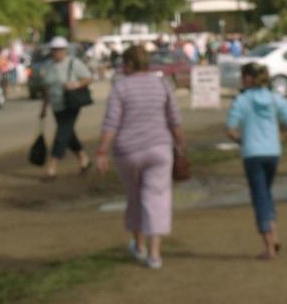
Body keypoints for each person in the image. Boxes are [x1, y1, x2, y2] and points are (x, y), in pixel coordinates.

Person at [95, 45, 186, 270]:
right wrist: (180, 145)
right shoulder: (161, 84)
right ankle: (154, 254)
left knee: (135, 197)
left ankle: (139, 245)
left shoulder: (121, 87)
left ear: (128, 64)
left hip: (128, 152)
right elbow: (174, 119)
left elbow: (111, 123)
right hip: (159, 149)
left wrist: (102, 151)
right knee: (157, 198)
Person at [226, 62, 287, 260]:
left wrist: (242, 141)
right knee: (266, 193)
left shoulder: (242, 100)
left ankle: (269, 246)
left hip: (252, 154)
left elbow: (230, 129)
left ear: (248, 79)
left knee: (259, 197)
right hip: (273, 152)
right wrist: (279, 136)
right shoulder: (276, 99)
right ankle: (274, 235)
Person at [39, 36, 94, 180]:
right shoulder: (48, 66)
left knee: (62, 132)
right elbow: (47, 89)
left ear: (65, 50)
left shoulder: (73, 63)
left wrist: (76, 84)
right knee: (68, 133)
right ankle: (84, 159)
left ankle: (52, 167)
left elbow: (88, 78)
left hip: (71, 103)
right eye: (54, 50)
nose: (56, 52)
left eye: (59, 50)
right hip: (56, 105)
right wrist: (44, 108)